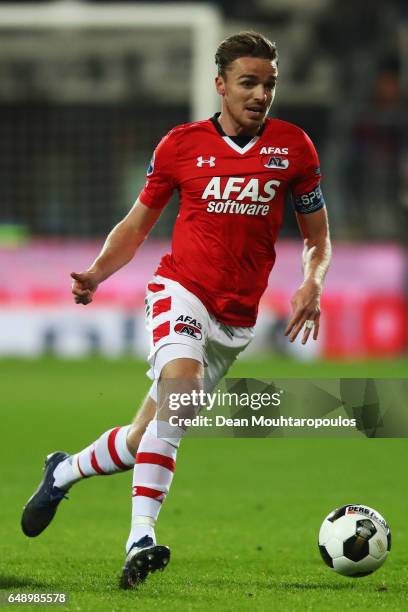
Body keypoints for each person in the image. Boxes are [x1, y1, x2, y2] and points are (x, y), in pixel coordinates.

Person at [21, 31, 331, 588]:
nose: (261, 94)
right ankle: (141, 537)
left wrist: (312, 279)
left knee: (147, 437)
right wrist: (96, 272)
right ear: (220, 85)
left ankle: (61, 471)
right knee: (180, 398)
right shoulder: (180, 146)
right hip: (180, 289)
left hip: (236, 320)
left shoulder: (295, 148)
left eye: (270, 84)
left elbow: (317, 235)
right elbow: (138, 224)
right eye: (249, 82)